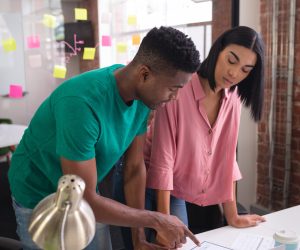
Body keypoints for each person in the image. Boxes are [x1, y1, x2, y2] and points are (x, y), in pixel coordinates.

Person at [8, 26, 201, 250]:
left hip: (85, 191)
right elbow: (82, 197)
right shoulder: (81, 103)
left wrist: (138, 239)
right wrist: (156, 219)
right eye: (173, 88)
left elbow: (134, 169)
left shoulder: (143, 99)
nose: (175, 98)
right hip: (39, 194)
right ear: (144, 74)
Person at [137, 26, 266, 247]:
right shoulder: (179, 89)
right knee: (174, 242)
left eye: (246, 69)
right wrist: (164, 223)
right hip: (151, 181)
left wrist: (232, 216)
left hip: (183, 184)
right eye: (231, 60)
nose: (234, 73)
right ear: (218, 50)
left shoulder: (233, 96)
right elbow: (163, 160)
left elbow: (227, 157)